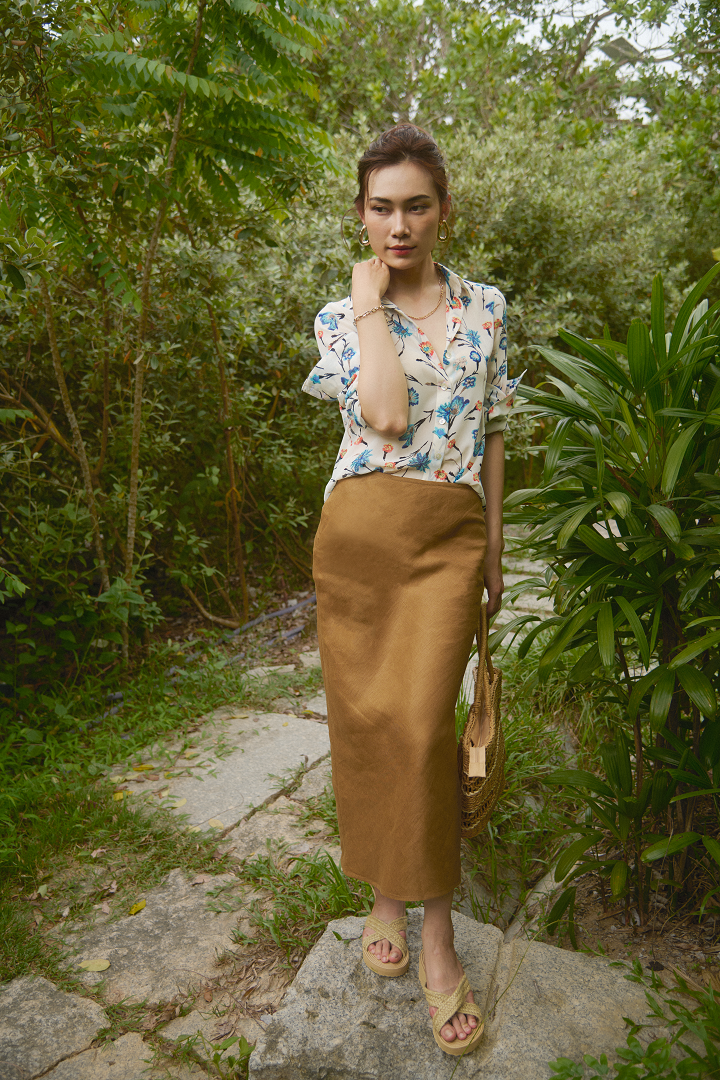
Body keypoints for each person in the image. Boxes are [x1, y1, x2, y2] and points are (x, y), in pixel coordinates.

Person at [302, 123, 520, 1058]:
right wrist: (367, 303)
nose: (399, 226)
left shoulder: (487, 309)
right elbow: (386, 416)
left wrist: (495, 549)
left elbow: (495, 430)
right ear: (361, 215)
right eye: (382, 208)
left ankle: (436, 937)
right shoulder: (339, 316)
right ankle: (387, 895)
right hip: (360, 536)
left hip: (448, 535)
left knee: (426, 726)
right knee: (374, 725)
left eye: (416, 206)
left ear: (444, 211)